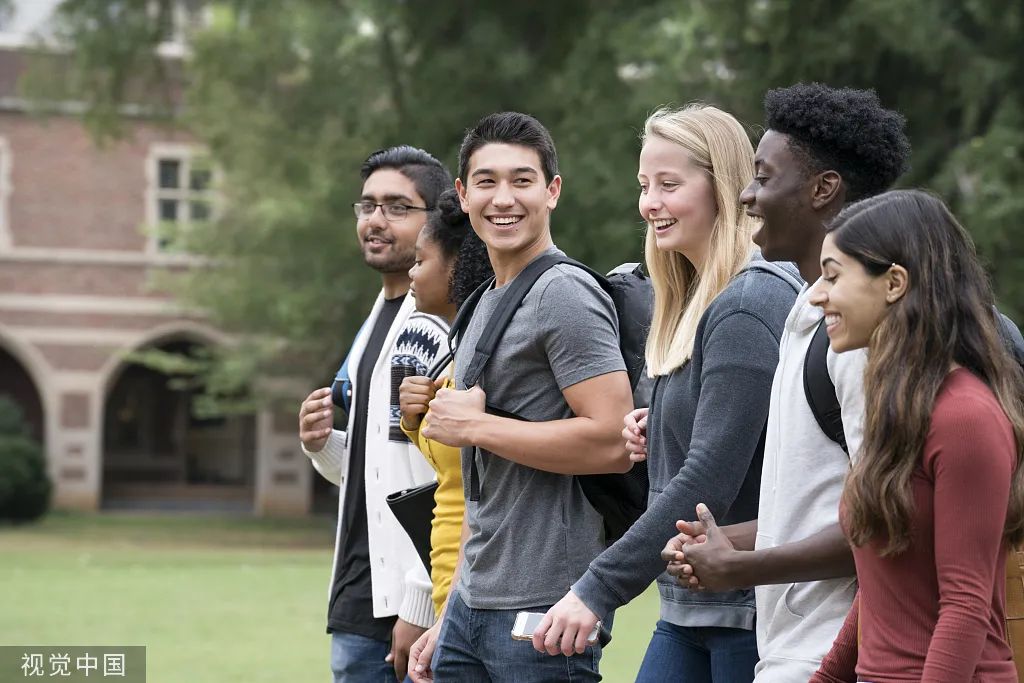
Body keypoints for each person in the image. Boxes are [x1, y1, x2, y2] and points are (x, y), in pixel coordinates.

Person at [533, 105, 799, 682]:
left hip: (748, 614)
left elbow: (710, 476)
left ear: (723, 189)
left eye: (669, 185)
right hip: (691, 607)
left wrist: (597, 587)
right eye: (644, 185)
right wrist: (664, 423)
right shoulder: (695, 304)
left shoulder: (750, 304)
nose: (648, 203)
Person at [658, 84, 911, 680]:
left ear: (823, 189)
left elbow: (886, 518)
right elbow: (820, 503)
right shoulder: (806, 314)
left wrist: (741, 568)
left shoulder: (858, 336)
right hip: (791, 645)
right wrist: (728, 541)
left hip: (834, 649)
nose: (745, 196)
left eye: (764, 178)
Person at [408, 111, 634, 683]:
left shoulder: (564, 294)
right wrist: (452, 609)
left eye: (522, 180)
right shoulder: (485, 300)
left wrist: (478, 428)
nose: (502, 198)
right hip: (470, 603)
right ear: (462, 194)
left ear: (552, 191)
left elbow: (613, 441)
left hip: (544, 610)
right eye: (485, 181)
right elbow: (485, 486)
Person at [807, 189, 1022, 682]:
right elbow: (882, 588)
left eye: (833, 275)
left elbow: (965, 606)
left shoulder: (964, 416)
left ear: (894, 283)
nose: (818, 293)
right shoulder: (897, 407)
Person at [297, 146, 452, 682]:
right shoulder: (375, 323)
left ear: (436, 220)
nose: (375, 220)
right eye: (366, 206)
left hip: (407, 607)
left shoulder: (430, 324)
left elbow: (446, 474)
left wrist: (418, 599)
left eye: (396, 206)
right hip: (359, 593)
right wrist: (323, 446)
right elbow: (375, 468)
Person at [398, 188, 494, 615]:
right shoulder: (457, 353)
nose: (411, 275)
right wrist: (416, 420)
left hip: (474, 595)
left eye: (420, 260)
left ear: (456, 266)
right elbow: (453, 471)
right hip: (446, 595)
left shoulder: (489, 356)